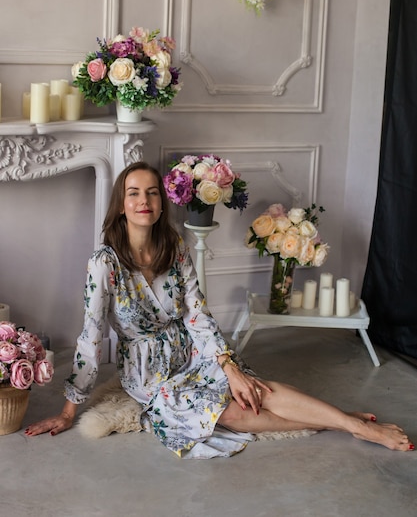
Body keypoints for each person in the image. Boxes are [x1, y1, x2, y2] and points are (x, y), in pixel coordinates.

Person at [25, 162, 414, 458]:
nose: (144, 201)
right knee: (227, 414)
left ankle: (352, 424)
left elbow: (197, 313)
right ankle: (347, 423)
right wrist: (67, 411)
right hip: (149, 370)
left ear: (162, 203)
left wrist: (228, 365)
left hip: (193, 346)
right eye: (133, 193)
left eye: (152, 193)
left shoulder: (173, 247)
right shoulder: (103, 264)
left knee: (251, 391)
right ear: (121, 204)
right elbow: (91, 338)